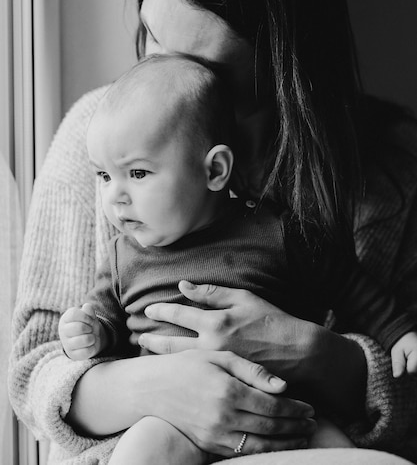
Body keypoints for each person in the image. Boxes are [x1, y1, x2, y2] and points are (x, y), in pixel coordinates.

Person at [9, 0, 417, 465]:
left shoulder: (392, 173)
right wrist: (159, 388)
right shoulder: (99, 139)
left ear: (282, 62)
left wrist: (320, 357)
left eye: (199, 67)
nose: (158, 75)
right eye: (151, 36)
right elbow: (31, 369)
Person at [58, 52, 417, 464]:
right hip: (173, 423)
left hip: (284, 411)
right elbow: (104, 318)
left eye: (138, 174)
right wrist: (90, 330)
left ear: (215, 171)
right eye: (104, 176)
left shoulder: (278, 231)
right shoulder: (124, 256)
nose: (115, 196)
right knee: (140, 451)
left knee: (350, 457)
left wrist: (397, 330)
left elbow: (349, 283)